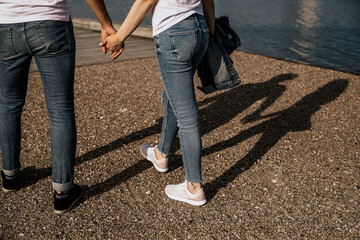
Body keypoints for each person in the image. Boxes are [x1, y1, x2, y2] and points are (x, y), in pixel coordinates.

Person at [0, 0, 115, 214]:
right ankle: (62, 192)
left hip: (6, 24)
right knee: (60, 109)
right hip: (51, 21)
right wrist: (106, 24)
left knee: (8, 104)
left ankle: (9, 176)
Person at [103, 0, 215, 206]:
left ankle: (194, 187)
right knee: (175, 95)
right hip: (200, 28)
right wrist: (211, 32)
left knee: (187, 116)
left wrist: (119, 36)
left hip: (173, 31)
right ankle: (161, 153)